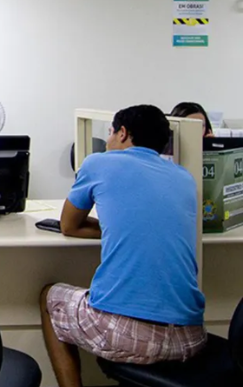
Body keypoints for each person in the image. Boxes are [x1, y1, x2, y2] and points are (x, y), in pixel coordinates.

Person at [40, 105, 206, 387]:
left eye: (110, 134)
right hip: (191, 338)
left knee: (49, 297)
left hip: (131, 338)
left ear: (123, 133)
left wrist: (110, 229)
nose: (108, 142)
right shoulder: (185, 178)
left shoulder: (99, 162)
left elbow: (69, 225)